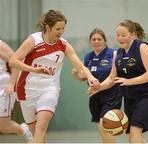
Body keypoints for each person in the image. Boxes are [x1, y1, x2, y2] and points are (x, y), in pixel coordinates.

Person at [8, 10, 99, 143]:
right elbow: (13, 61)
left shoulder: (63, 45)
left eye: (63, 28)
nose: (61, 31)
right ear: (48, 27)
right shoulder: (34, 40)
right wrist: (34, 69)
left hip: (49, 89)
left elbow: (79, 65)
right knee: (36, 134)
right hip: (26, 90)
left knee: (42, 126)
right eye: (58, 28)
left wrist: (90, 77)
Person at [88, 19, 148, 143]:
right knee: (132, 136)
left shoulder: (142, 47)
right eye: (118, 35)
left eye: (123, 35)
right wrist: (99, 87)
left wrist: (129, 81)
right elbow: (112, 78)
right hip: (130, 97)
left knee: (135, 131)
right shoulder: (117, 54)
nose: (120, 38)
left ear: (133, 34)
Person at [72, 28, 122, 143]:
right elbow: (82, 77)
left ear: (104, 41)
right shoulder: (88, 57)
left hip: (112, 94)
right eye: (93, 39)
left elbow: (115, 76)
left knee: (104, 124)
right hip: (94, 96)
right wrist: (76, 75)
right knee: (101, 127)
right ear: (90, 41)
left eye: (99, 39)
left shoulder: (113, 54)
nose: (96, 41)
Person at [0, 40, 33, 143]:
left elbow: (15, 61)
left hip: (3, 87)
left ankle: (23, 130)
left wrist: (11, 83)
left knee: (3, 125)